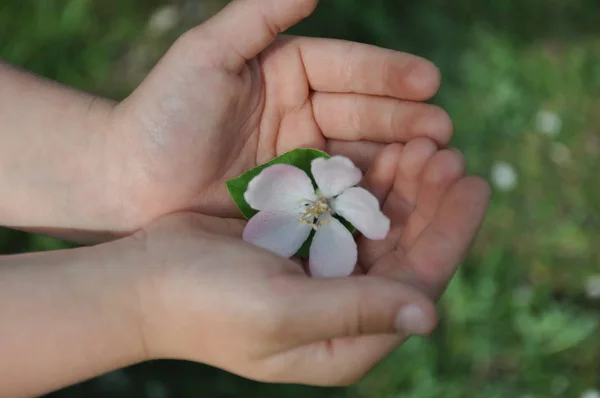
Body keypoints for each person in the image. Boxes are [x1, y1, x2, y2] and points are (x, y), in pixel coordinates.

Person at [0, 0, 490, 396]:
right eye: (316, 207)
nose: (317, 209)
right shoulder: (297, 196)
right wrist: (148, 305)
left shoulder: (331, 195)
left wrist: (117, 166)